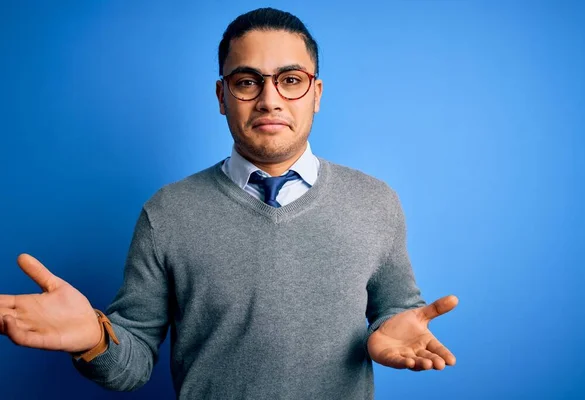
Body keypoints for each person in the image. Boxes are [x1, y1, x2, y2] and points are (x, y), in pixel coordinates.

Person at [0, 7, 458, 400]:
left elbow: (399, 307)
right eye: (247, 82)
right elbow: (133, 360)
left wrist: (391, 326)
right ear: (222, 96)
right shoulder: (167, 213)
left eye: (291, 80)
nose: (269, 99)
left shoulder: (375, 202)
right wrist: (93, 340)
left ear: (316, 94)